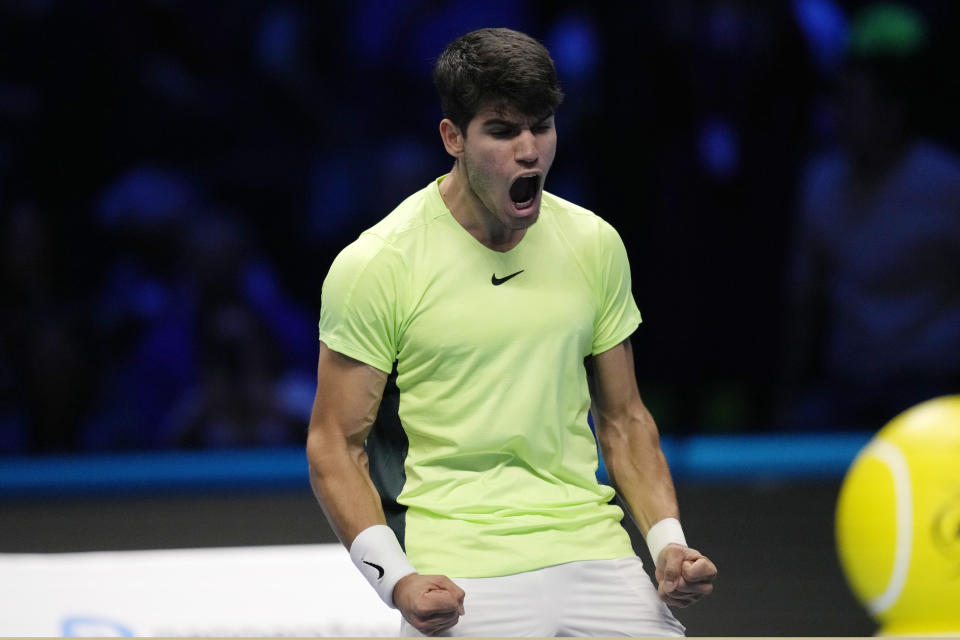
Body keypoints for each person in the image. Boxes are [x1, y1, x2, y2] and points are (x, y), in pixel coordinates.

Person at [306, 27, 717, 637]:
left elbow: (625, 420)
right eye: (503, 131)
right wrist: (397, 579)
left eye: (542, 126)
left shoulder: (595, 244)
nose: (530, 151)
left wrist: (667, 544)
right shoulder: (378, 265)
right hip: (462, 574)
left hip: (596, 551)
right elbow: (334, 444)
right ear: (453, 138)